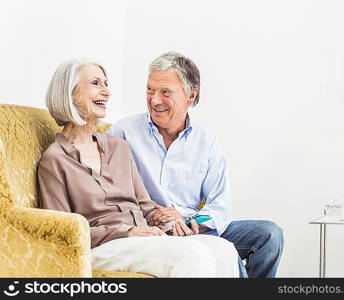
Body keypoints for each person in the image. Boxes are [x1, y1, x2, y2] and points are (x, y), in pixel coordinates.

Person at [37, 58, 239, 278]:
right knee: (190, 255)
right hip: (102, 245)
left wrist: (172, 221)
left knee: (224, 250)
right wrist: (127, 231)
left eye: (106, 84)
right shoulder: (55, 160)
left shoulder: (118, 146)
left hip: (143, 237)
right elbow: (61, 231)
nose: (106, 92)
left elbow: (145, 205)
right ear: (70, 94)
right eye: (96, 83)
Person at [108, 52, 284, 278]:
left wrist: (189, 221)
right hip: (153, 228)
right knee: (226, 253)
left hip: (193, 226)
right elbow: (111, 193)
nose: (155, 99)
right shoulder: (124, 132)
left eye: (166, 92)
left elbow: (220, 207)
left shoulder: (206, 142)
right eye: (150, 90)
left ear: (191, 95)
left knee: (269, 234)